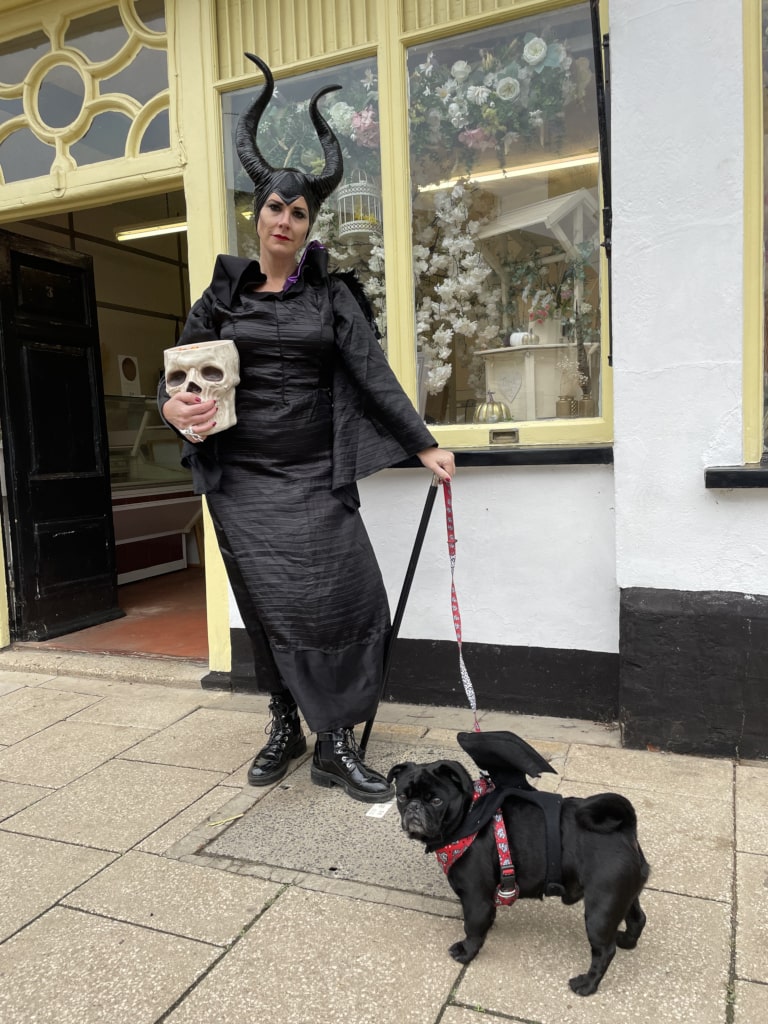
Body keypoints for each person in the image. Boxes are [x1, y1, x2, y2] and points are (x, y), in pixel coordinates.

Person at [159, 54, 455, 803]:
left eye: (299, 212)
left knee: (347, 600)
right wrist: (174, 410)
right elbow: (178, 379)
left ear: (309, 223)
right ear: (256, 213)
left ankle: (337, 744)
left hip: (315, 477)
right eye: (274, 207)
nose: (285, 220)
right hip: (245, 482)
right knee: (269, 608)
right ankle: (286, 726)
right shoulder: (222, 293)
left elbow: (371, 374)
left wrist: (423, 444)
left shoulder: (332, 296)